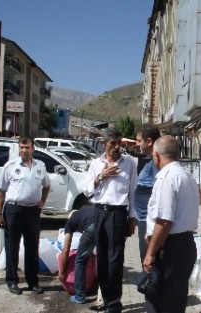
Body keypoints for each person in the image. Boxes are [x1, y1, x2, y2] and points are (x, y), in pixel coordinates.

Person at [83, 128, 138, 313]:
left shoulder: (129, 163)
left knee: (115, 259)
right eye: (112, 143)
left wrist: (132, 219)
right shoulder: (95, 164)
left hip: (118, 214)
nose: (116, 147)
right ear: (103, 144)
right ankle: (106, 300)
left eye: (119, 143)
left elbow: (133, 193)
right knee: (102, 259)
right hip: (99, 212)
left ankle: (114, 304)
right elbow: (87, 190)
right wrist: (101, 176)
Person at [143, 136, 199, 313]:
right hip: (185, 245)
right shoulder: (187, 176)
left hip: (171, 248)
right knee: (176, 300)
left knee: (161, 300)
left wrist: (150, 253)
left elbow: (165, 221)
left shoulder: (166, 178)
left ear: (157, 155)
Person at [0, 137, 50, 295]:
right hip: (14, 210)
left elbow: (46, 185)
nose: (24, 150)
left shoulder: (40, 166)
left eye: (27, 147)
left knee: (32, 247)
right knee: (12, 247)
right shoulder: (10, 166)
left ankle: (33, 282)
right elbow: (0, 191)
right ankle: (12, 281)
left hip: (33, 211)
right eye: (22, 147)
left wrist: (42, 201)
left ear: (33, 149)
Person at [58, 206, 97, 304]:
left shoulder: (70, 222)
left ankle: (80, 296)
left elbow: (66, 250)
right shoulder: (84, 211)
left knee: (80, 261)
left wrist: (62, 272)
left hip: (93, 226)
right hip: (107, 223)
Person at [134, 124, 160, 263]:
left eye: (139, 141)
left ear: (149, 141)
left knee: (148, 264)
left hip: (148, 222)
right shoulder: (152, 160)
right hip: (144, 219)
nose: (137, 144)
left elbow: (159, 191)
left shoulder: (156, 162)